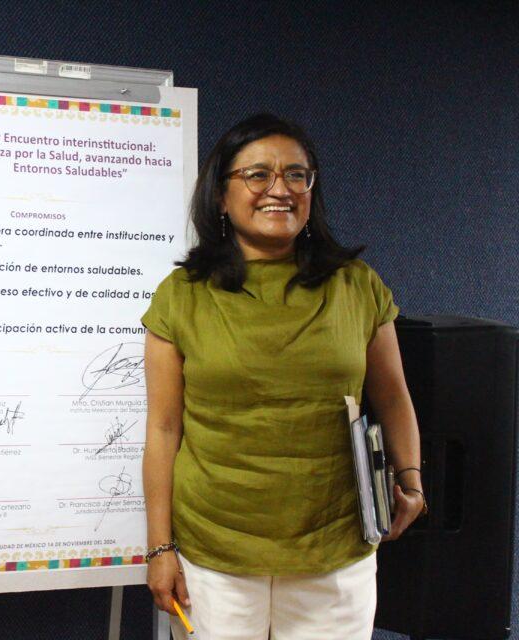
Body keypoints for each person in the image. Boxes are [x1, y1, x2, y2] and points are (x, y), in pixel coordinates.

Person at [141, 113, 424, 640]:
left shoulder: (357, 286)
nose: (280, 189)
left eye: (297, 175)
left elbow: (393, 397)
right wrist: (160, 548)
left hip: (335, 552)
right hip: (215, 555)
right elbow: (162, 429)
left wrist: (411, 480)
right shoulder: (181, 296)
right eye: (258, 174)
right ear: (220, 196)